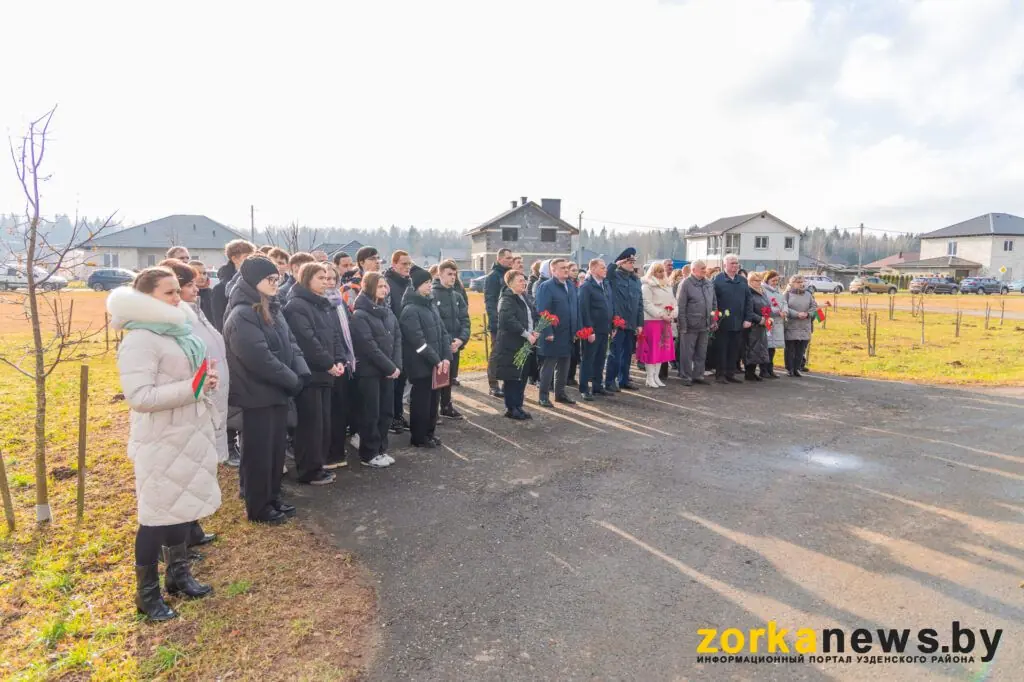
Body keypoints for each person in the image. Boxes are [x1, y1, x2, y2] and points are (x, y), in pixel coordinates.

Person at [108, 267, 221, 622]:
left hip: (186, 432)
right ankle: (147, 594)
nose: (178, 297)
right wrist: (194, 387)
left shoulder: (177, 330)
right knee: (155, 518)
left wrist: (205, 381)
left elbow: (186, 378)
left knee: (180, 509)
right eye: (169, 292)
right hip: (160, 438)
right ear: (146, 297)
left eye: (177, 291)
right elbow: (140, 397)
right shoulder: (141, 338)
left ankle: (178, 575)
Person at [223, 256, 310, 524]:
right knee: (258, 454)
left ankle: (272, 496)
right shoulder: (242, 314)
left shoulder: (272, 307)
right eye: (269, 279)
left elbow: (291, 343)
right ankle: (258, 506)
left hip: (277, 392)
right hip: (256, 396)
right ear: (253, 281)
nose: (275, 283)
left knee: (274, 450)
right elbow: (258, 358)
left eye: (277, 278)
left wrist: (301, 372)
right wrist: (291, 380)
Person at [284, 262, 349, 485]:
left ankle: (318, 465)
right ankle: (308, 470)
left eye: (327, 277)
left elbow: (334, 335)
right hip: (310, 376)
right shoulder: (296, 306)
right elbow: (307, 341)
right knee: (309, 426)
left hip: (326, 374)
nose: (325, 282)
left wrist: (339, 360)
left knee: (322, 424)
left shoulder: (323, 304)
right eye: (320, 278)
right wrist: (329, 363)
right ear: (306, 279)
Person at [350, 272, 401, 467]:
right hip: (370, 373)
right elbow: (368, 346)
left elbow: (397, 338)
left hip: (388, 372)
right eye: (380, 286)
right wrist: (389, 366)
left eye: (385, 286)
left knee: (386, 412)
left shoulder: (387, 311)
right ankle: (369, 453)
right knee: (371, 414)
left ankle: (381, 449)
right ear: (370, 287)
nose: (384, 290)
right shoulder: (360, 315)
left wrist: (396, 366)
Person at [400, 266, 452, 447]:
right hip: (420, 365)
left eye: (430, 282)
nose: (430, 285)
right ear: (416, 286)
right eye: (425, 283)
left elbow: (443, 333)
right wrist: (437, 360)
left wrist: (446, 357)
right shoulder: (410, 310)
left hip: (436, 364)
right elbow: (418, 341)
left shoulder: (430, 305)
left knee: (433, 402)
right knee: (421, 403)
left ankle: (429, 433)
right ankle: (419, 437)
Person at [321, 264, 358, 468]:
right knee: (330, 411)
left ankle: (337, 449)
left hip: (344, 361)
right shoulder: (319, 303)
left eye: (332, 278)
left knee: (341, 409)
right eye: (324, 278)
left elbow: (347, 329)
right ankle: (328, 452)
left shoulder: (339, 301)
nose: (329, 282)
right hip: (329, 363)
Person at [534, 258, 581, 407]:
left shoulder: (570, 285)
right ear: (553, 271)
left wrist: (576, 330)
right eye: (562, 268)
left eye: (567, 267)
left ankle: (560, 394)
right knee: (549, 366)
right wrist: (547, 331)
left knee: (564, 365)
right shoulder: (546, 287)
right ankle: (543, 396)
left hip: (568, 334)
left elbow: (575, 309)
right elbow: (542, 311)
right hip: (553, 334)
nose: (566, 270)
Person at [493, 270, 538, 420]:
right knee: (512, 377)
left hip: (526, 343)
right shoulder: (506, 299)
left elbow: (533, 315)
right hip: (511, 345)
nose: (524, 283)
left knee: (522, 376)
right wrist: (526, 333)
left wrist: (535, 331)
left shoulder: (524, 297)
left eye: (524, 280)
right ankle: (511, 408)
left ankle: (518, 406)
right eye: (520, 281)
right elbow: (508, 319)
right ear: (510, 283)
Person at [433, 260, 469, 419]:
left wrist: (461, 340)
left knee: (449, 378)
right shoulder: (432, 295)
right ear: (439, 274)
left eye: (454, 274)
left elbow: (465, 320)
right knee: (437, 379)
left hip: (455, 344)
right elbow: (435, 322)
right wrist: (447, 341)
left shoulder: (457, 296)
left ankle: (446, 406)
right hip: (439, 345)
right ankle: (432, 411)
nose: (453, 277)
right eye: (449, 274)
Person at [604, 248, 643, 391]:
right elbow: (607, 275)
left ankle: (624, 379)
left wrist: (640, 323)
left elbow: (640, 303)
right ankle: (610, 381)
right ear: (622, 263)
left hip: (631, 323)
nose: (632, 264)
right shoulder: (614, 276)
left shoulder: (635, 280)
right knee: (614, 354)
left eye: (633, 262)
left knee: (627, 354)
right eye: (629, 262)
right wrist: (616, 263)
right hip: (618, 322)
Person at [711, 254, 754, 384]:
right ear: (725, 265)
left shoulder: (742, 280)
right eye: (732, 263)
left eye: (736, 263)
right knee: (722, 349)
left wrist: (748, 318)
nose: (735, 266)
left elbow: (749, 300)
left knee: (734, 349)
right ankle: (720, 374)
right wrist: (715, 319)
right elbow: (713, 301)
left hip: (739, 321)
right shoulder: (717, 280)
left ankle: (730, 373)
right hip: (723, 321)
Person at [384, 250, 414, 434]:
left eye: (409, 264)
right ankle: (390, 418)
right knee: (393, 382)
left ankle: (398, 414)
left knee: (402, 380)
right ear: (394, 264)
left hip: (408, 339)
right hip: (393, 339)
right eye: (404, 264)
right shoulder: (387, 283)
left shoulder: (409, 283)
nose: (407, 267)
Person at [577, 258, 613, 401]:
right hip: (592, 330)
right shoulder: (586, 287)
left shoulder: (605, 284)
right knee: (588, 359)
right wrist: (589, 330)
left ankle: (598, 386)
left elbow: (610, 305)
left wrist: (612, 326)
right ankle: (584, 388)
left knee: (600, 359)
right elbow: (583, 310)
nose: (605, 270)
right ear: (592, 269)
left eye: (605, 267)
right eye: (602, 267)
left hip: (604, 328)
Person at [676, 260, 716, 386]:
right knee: (687, 353)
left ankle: (698, 375)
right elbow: (681, 306)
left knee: (701, 352)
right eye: (702, 268)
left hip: (705, 324)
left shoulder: (708, 283)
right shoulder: (686, 284)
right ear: (693, 270)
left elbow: (714, 303)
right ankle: (685, 376)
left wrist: (713, 320)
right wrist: (682, 325)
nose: (705, 270)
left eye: (705, 268)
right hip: (690, 325)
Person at [638, 261, 677, 387]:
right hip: (652, 321)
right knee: (652, 350)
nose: (661, 273)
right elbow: (647, 304)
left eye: (662, 271)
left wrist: (673, 314)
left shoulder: (667, 285)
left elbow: (674, 302)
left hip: (665, 321)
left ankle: (656, 376)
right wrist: (661, 314)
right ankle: (649, 377)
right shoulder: (647, 285)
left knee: (661, 351)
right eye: (658, 271)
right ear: (652, 272)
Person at [485, 248, 514, 397]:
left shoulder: (511, 275)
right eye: (508, 258)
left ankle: (507, 383)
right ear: (500, 259)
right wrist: (495, 322)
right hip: (498, 323)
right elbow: (490, 301)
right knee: (496, 353)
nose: (511, 260)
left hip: (511, 321)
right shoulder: (493, 277)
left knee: (508, 354)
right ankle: (493, 384)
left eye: (511, 258)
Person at [212, 239, 256, 332]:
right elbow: (220, 322)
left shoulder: (256, 282)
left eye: (253, 256)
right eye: (247, 257)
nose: (251, 260)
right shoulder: (221, 288)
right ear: (234, 259)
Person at [783, 275, 818, 377]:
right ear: (792, 283)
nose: (801, 284)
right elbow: (784, 307)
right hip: (792, 324)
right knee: (790, 349)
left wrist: (808, 314)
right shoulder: (787, 294)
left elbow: (814, 307)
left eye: (803, 282)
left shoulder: (808, 294)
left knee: (801, 349)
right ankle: (789, 368)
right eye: (798, 282)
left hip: (805, 325)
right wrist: (796, 314)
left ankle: (797, 368)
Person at [744, 272, 773, 381]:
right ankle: (749, 372)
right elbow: (748, 310)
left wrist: (768, 317)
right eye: (756, 280)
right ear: (750, 281)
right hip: (753, 325)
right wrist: (759, 319)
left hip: (762, 325)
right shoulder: (748, 292)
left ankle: (753, 371)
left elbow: (767, 305)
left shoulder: (762, 291)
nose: (759, 282)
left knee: (759, 349)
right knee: (751, 348)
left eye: (760, 280)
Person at [761, 270, 787, 378]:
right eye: (773, 280)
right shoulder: (763, 290)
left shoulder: (778, 291)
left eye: (777, 280)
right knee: (766, 346)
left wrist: (785, 311)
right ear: (767, 280)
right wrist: (777, 311)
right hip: (769, 321)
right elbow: (764, 305)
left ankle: (770, 369)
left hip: (778, 322)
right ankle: (763, 369)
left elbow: (784, 302)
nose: (775, 283)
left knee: (772, 347)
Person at [566, 262, 582, 387]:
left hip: (576, 323)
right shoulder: (566, 285)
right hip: (568, 324)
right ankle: (566, 377)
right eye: (573, 270)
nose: (575, 272)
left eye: (576, 270)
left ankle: (571, 376)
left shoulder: (577, 285)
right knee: (569, 353)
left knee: (575, 353)